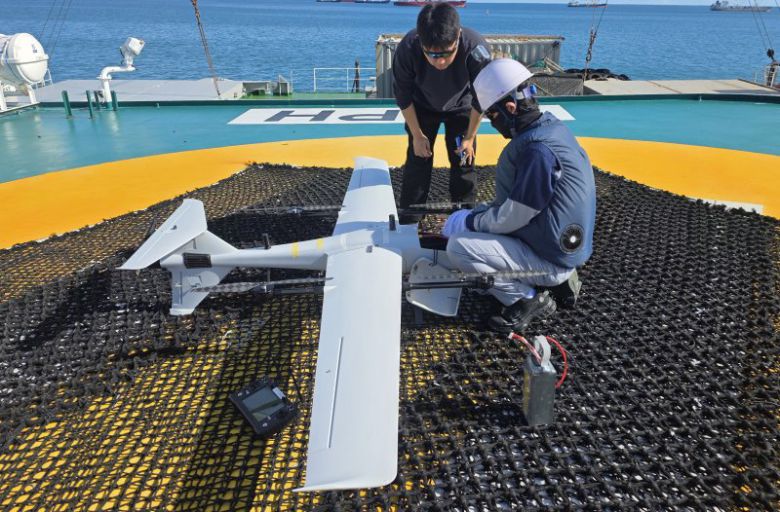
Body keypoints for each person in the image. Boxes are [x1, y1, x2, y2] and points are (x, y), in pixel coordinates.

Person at [443, 59, 597, 333]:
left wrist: (470, 222)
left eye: (493, 116)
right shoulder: (552, 129)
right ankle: (555, 280)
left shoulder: (536, 151)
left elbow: (513, 216)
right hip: (563, 251)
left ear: (510, 108)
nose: (493, 123)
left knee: (458, 247)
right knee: (483, 220)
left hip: (551, 260)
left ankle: (527, 299)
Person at [392, 3, 491, 223]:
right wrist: (417, 136)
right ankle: (411, 218)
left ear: (458, 36)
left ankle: (464, 216)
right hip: (422, 106)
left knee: (464, 160)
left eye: (447, 53)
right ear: (420, 40)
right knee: (418, 160)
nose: (441, 61)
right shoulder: (408, 48)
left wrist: (469, 138)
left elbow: (481, 98)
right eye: (432, 54)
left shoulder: (475, 48)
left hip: (462, 107)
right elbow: (404, 97)